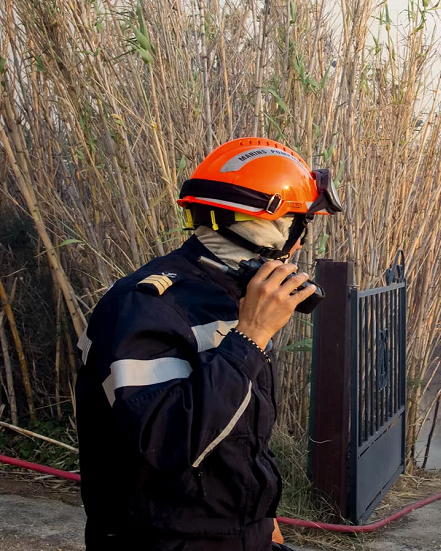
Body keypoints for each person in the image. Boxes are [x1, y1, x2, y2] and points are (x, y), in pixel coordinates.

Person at [75, 138, 342, 551]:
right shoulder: (144, 307)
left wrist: (261, 519)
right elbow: (168, 444)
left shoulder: (232, 297)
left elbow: (236, 438)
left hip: (241, 534)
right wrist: (250, 338)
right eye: (296, 226)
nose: (300, 245)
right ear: (260, 228)